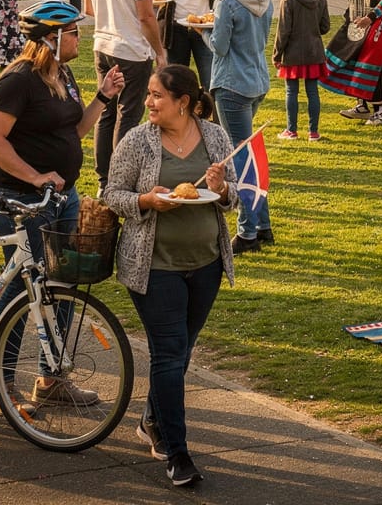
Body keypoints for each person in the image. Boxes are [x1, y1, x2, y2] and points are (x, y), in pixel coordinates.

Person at [0, 0, 122, 414]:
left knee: (60, 287)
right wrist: (36, 177)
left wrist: (102, 98)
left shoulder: (63, 73)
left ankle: (51, 378)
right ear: (52, 38)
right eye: (74, 32)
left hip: (63, 196)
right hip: (21, 199)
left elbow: (72, 130)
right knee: (26, 290)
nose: (81, 37)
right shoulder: (18, 80)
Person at [105, 64, 235, 487]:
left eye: (158, 95)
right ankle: (177, 453)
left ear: (184, 102)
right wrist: (146, 199)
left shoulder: (214, 136)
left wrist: (224, 187)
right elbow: (112, 194)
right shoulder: (138, 140)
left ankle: (151, 419)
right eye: (149, 95)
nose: (149, 102)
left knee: (182, 351)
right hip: (154, 265)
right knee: (169, 352)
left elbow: (230, 197)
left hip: (207, 264)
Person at [88, 0, 164, 187]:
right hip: (131, 49)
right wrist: (160, 52)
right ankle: (121, 179)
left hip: (102, 45)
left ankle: (104, 179)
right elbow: (146, 17)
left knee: (106, 112)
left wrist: (114, 11)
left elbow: (88, 8)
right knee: (129, 115)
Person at [209, 0, 273, 253]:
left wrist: (203, 31)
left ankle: (248, 232)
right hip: (257, 79)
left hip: (233, 83)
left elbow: (220, 46)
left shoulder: (227, 2)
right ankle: (262, 224)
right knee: (249, 153)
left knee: (240, 160)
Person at [274, 0, 329, 141]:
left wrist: (277, 54)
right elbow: (325, 27)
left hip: (293, 53)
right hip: (314, 50)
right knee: (312, 91)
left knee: (291, 92)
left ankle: (292, 130)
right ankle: (313, 132)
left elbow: (283, 30)